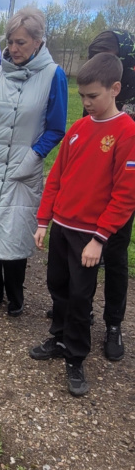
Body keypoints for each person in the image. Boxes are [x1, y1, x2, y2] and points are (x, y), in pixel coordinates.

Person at [30, 53, 135, 396]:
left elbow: (125, 194)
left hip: (89, 235)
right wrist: (44, 221)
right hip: (61, 226)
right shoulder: (77, 129)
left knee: (80, 296)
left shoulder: (126, 131)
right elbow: (56, 177)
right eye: (83, 97)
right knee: (57, 286)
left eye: (93, 96)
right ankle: (59, 338)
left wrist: (99, 238)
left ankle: (75, 356)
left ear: (115, 88)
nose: (87, 103)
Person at [0, 7, 67, 315]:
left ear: (38, 41)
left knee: (13, 231)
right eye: (10, 42)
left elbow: (56, 128)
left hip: (24, 165)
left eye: (21, 42)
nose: (13, 48)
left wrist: (33, 156)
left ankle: (15, 295)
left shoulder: (54, 75)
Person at [86, 29, 135, 360]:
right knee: (83, 253)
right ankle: (80, 310)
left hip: (122, 191)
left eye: (108, 54)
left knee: (114, 258)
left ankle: (113, 324)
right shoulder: (95, 95)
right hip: (92, 188)